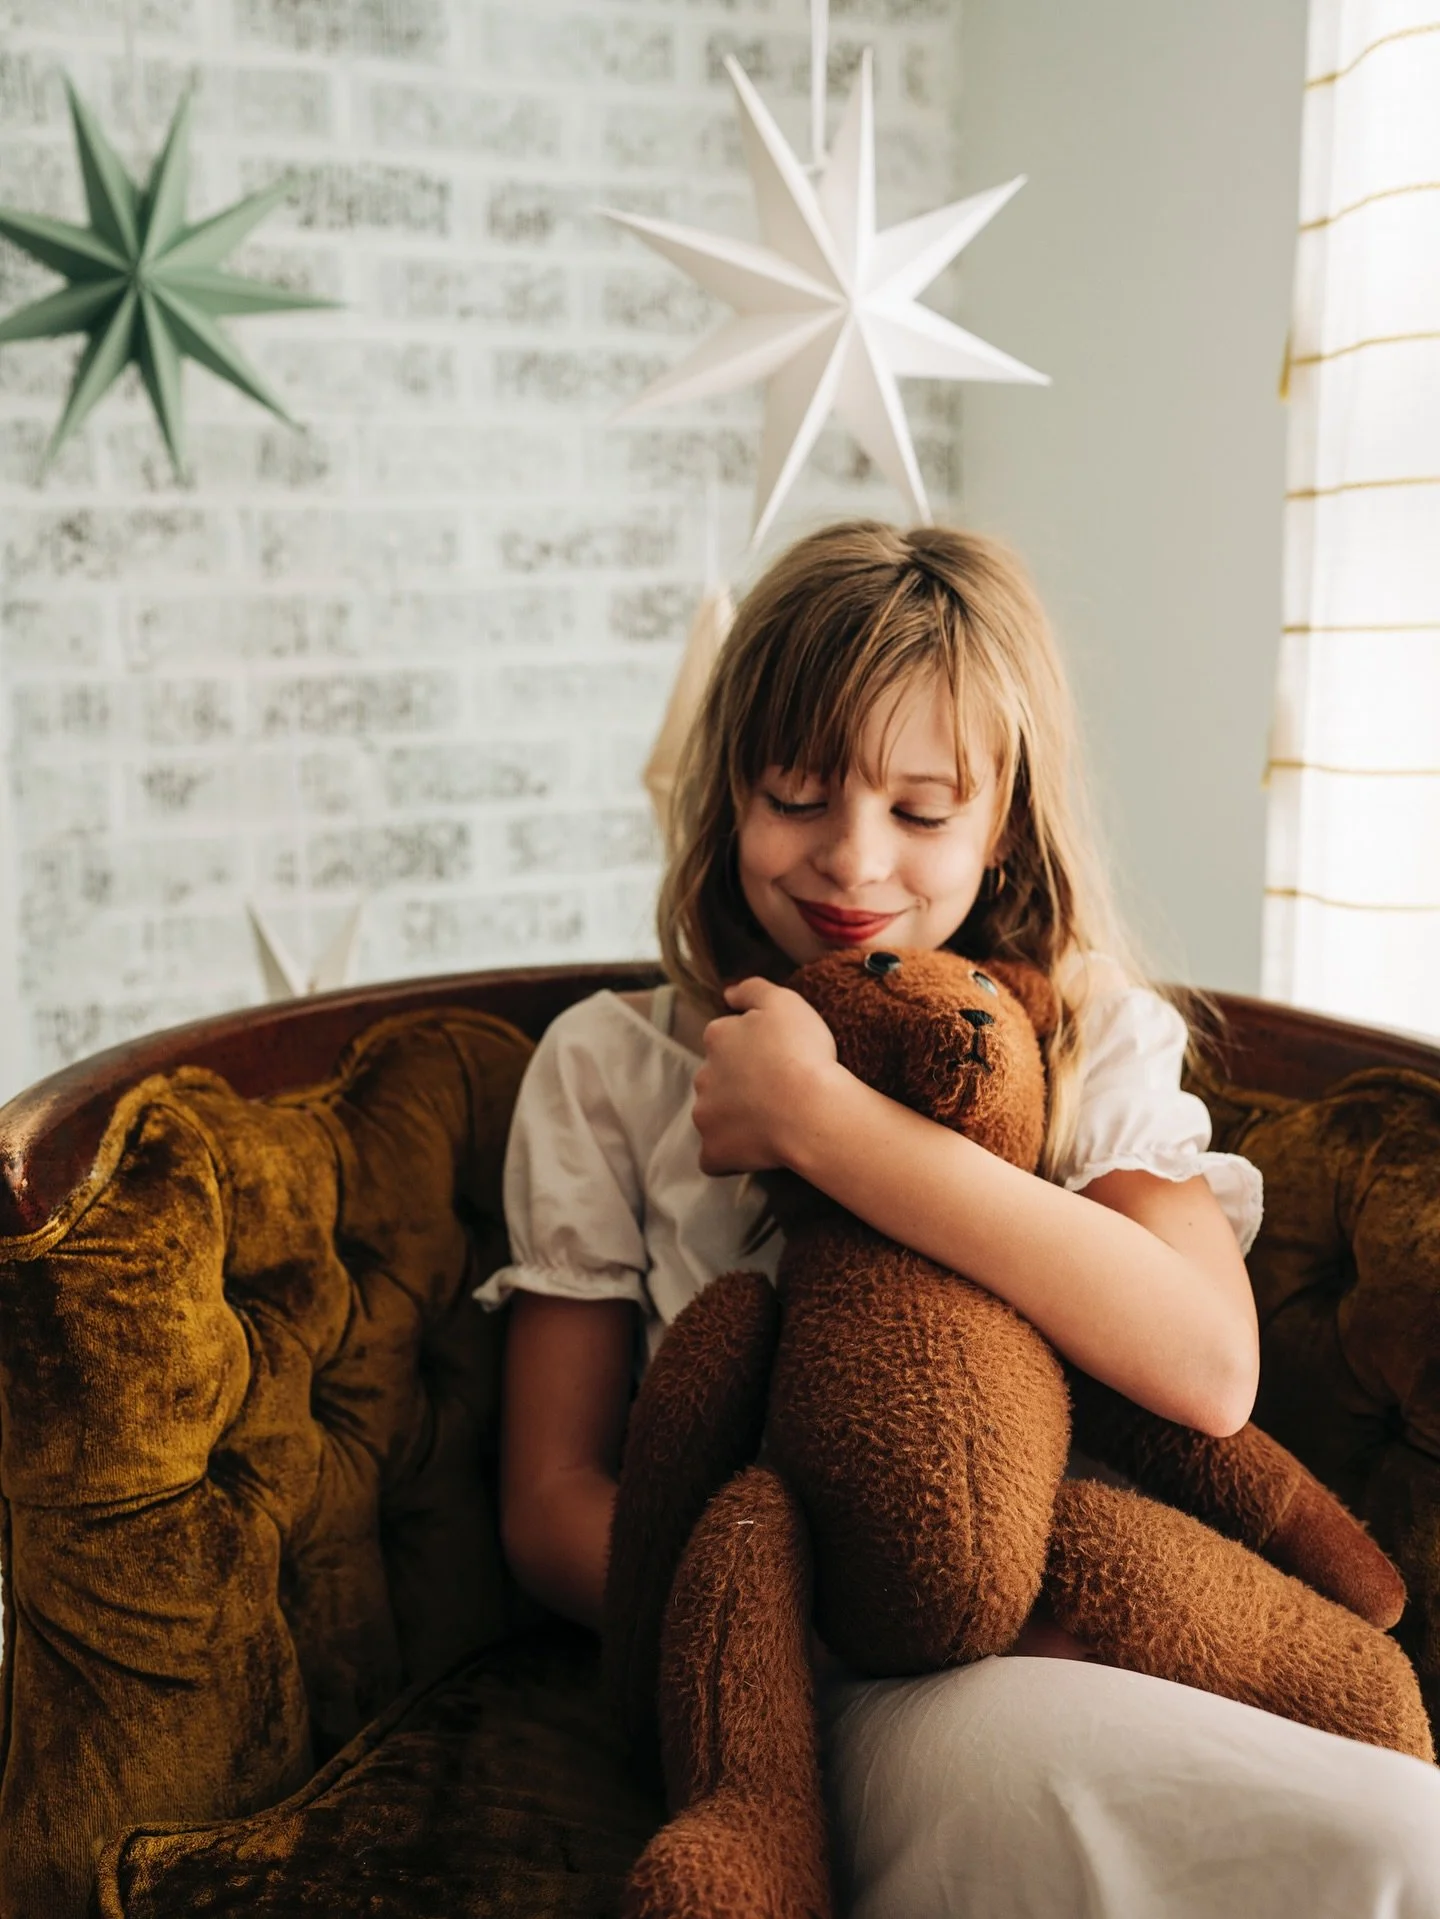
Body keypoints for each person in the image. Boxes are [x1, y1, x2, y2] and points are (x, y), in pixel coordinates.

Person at [479, 521, 1440, 1917]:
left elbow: (1204, 1366)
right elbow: (551, 1502)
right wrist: (814, 1611)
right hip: (818, 1689)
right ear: (727, 793)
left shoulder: (1091, 1033)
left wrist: (827, 1125)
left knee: (1394, 1822)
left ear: (1004, 825)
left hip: (1110, 1617)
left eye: (922, 812)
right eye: (796, 792)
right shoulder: (610, 1066)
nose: (851, 864)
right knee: (1390, 1854)